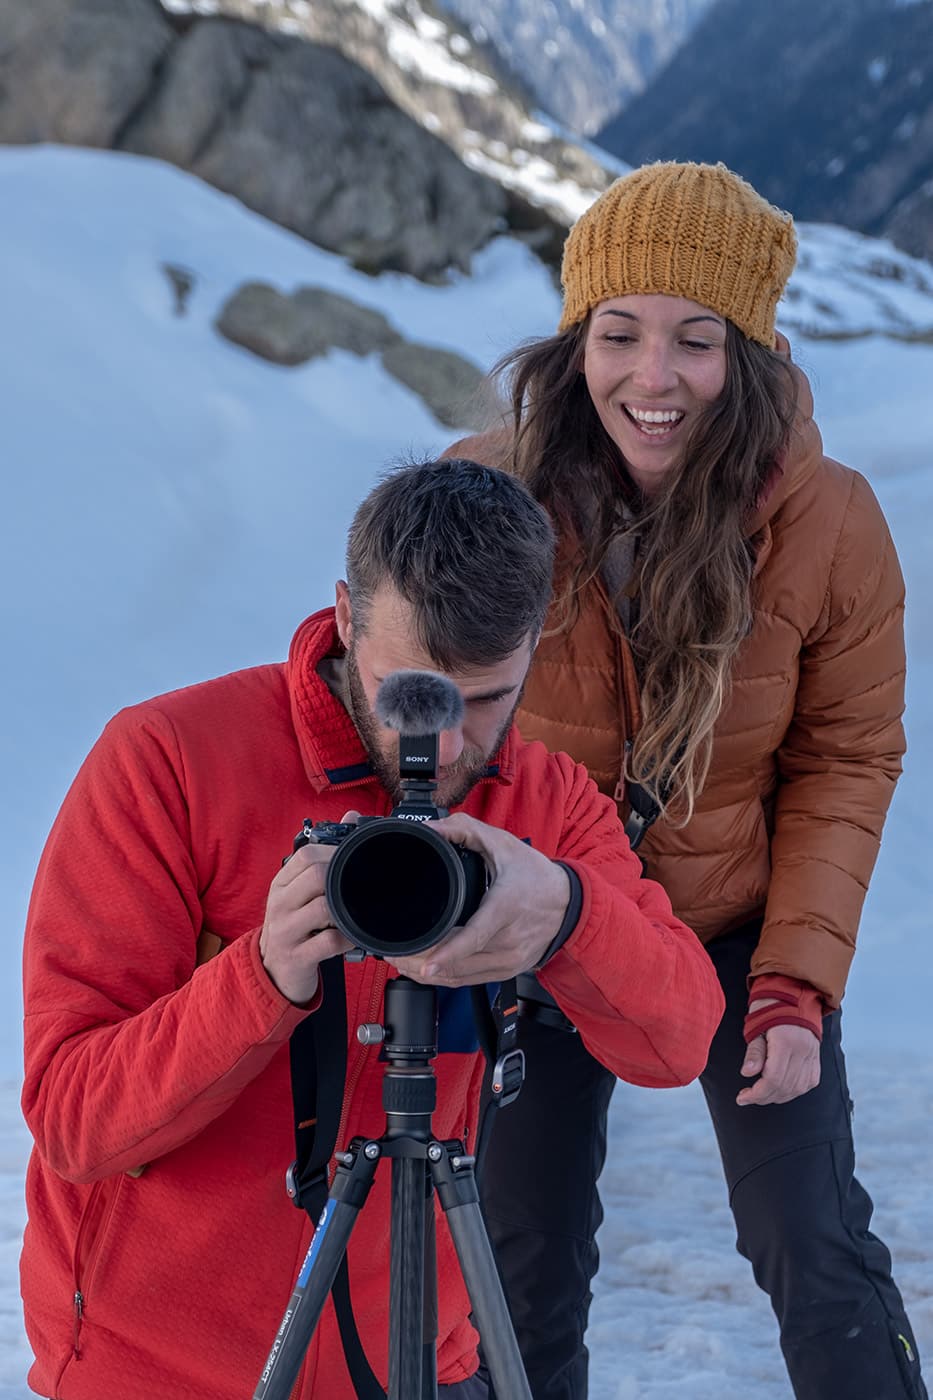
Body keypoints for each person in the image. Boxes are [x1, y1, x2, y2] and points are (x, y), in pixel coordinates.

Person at [19, 458, 725, 1400]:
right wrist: (263, 975)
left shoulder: (540, 802)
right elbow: (75, 1121)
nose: (441, 742)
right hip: (165, 1371)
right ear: (347, 617)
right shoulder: (171, 761)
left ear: (532, 644)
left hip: (419, 1362)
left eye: (483, 700)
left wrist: (565, 913)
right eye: (410, 693)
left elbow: (678, 1039)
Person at [446, 162, 927, 1400]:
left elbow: (843, 756)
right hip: (539, 920)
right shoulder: (484, 496)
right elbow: (414, 711)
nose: (651, 378)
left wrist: (795, 981)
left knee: (814, 1242)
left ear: (750, 354)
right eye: (619, 333)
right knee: (515, 1264)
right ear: (576, 342)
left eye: (695, 340)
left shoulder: (836, 524)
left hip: (732, 932)